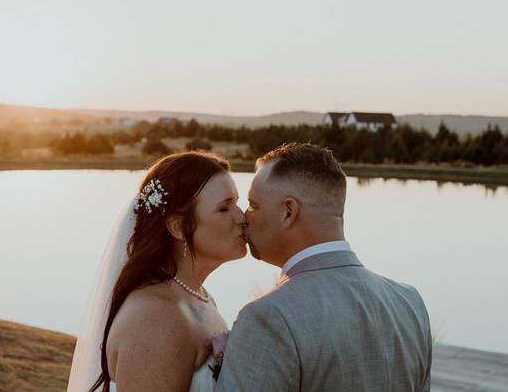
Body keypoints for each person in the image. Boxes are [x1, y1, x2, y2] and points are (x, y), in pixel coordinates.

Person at [215, 142, 432, 391]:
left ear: (288, 212)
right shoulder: (409, 302)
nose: (245, 216)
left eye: (254, 205)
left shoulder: (268, 319)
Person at [68, 151, 247, 391]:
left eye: (236, 202)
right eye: (224, 208)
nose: (242, 217)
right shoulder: (155, 321)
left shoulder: (197, 296)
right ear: (178, 227)